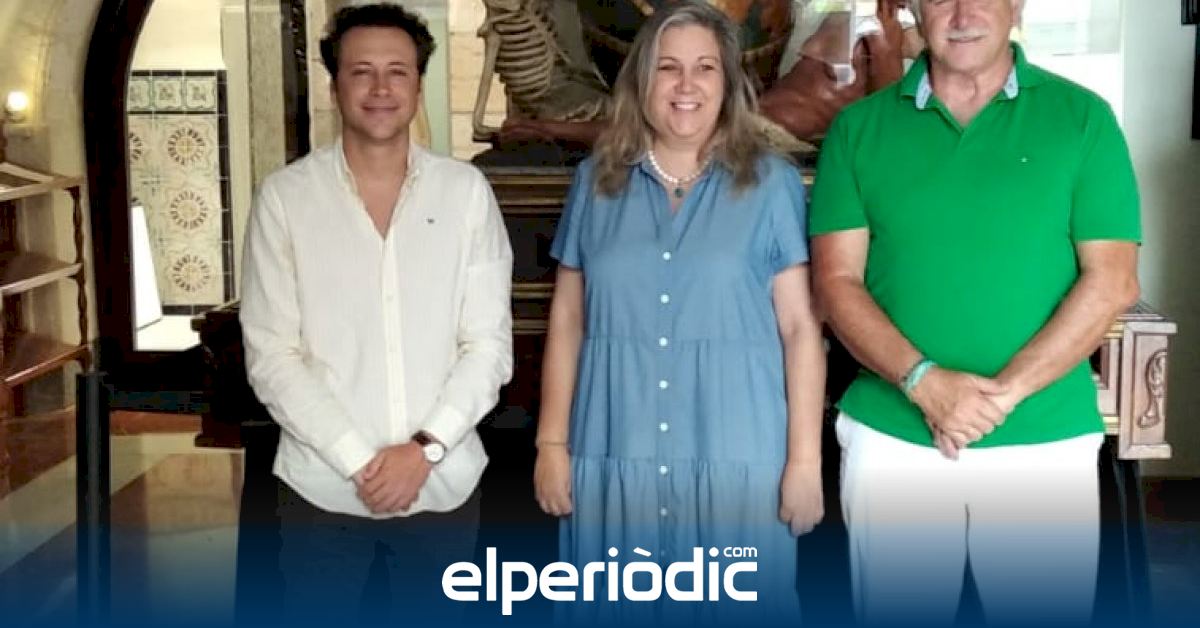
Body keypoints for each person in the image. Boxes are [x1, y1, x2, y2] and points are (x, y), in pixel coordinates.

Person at [809, 0, 1141, 624]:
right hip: (894, 438)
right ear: (914, 8)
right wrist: (924, 383)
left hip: (1043, 438)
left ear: (1017, 5)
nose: (962, 14)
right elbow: (835, 283)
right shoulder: (858, 130)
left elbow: (1113, 281)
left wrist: (1001, 396)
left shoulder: (1083, 119)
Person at [532, 1, 826, 624]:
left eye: (705, 68)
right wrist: (551, 444)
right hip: (615, 450)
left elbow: (800, 330)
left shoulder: (772, 184)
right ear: (642, 80)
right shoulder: (596, 182)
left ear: (728, 83)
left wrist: (805, 462)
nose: (686, 85)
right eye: (668, 67)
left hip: (736, 458)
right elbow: (568, 322)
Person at [240, 3, 513, 623]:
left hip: (442, 485)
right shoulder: (285, 199)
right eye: (361, 72)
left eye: (398, 72)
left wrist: (424, 450)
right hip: (322, 490)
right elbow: (272, 355)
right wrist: (360, 462)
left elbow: (488, 347)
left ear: (418, 84)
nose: (381, 88)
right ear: (334, 86)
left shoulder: (465, 193)